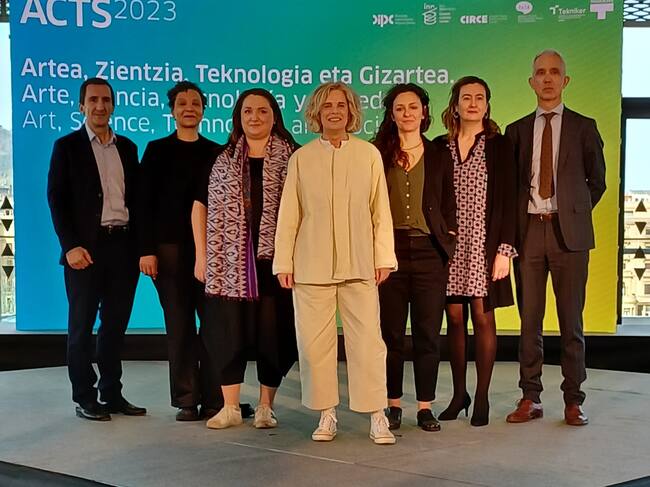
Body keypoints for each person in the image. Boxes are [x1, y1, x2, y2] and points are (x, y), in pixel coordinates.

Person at [274, 82, 397, 445]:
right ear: (317, 112)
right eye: (327, 106)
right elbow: (290, 214)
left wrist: (383, 257)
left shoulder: (368, 155)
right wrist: (284, 262)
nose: (334, 111)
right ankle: (326, 413)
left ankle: (377, 415)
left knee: (368, 343)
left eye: (341, 105)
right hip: (311, 266)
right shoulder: (301, 158)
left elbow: (380, 211)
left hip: (360, 264)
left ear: (351, 111)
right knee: (314, 346)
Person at [505, 50, 606, 426]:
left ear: (565, 81)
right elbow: (512, 186)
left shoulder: (584, 126)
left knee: (571, 322)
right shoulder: (516, 130)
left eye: (554, 72)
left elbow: (597, 182)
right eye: (540, 72)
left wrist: (573, 212)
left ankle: (573, 400)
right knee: (529, 320)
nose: (547, 78)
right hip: (529, 232)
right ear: (531, 81)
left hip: (570, 237)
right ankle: (530, 397)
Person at [192, 88, 298, 430]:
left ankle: (266, 406)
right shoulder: (219, 158)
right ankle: (230, 407)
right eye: (248, 111)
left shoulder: (294, 157)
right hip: (227, 264)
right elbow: (199, 207)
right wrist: (202, 256)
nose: (255, 117)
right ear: (238, 117)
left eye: (263, 111)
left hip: (276, 263)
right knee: (227, 332)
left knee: (274, 335)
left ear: (274, 117)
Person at [47, 78, 146, 421]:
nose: (100, 106)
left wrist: (140, 248)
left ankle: (112, 393)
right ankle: (85, 397)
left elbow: (138, 201)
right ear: (82, 106)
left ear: (113, 105)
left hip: (123, 247)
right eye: (93, 100)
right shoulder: (67, 146)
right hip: (84, 251)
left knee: (115, 327)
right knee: (81, 327)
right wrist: (70, 246)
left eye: (106, 100)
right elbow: (56, 199)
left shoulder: (128, 148)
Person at [137, 81, 231, 421]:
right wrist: (146, 250)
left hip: (212, 253)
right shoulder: (156, 150)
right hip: (168, 250)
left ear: (204, 110)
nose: (189, 108)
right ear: (172, 110)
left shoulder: (217, 152)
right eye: (182, 103)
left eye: (195, 103)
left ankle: (216, 399)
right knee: (179, 326)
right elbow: (142, 203)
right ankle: (186, 399)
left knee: (214, 326)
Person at [372, 83, 456, 432]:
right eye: (399, 108)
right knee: (391, 335)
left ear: (424, 112)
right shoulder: (378, 153)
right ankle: (393, 405)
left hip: (429, 253)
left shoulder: (439, 153)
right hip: (388, 252)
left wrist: (449, 236)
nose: (407, 113)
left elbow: (449, 200)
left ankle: (424, 407)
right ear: (391, 115)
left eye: (413, 107)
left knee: (427, 334)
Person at [436, 76, 517, 427]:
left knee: (483, 318)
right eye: (466, 97)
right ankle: (459, 395)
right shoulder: (440, 146)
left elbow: (510, 200)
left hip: (485, 246)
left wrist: (504, 251)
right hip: (450, 248)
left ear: (487, 105)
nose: (472, 103)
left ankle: (482, 396)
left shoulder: (500, 145)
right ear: (455, 105)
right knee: (454, 318)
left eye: (479, 97)